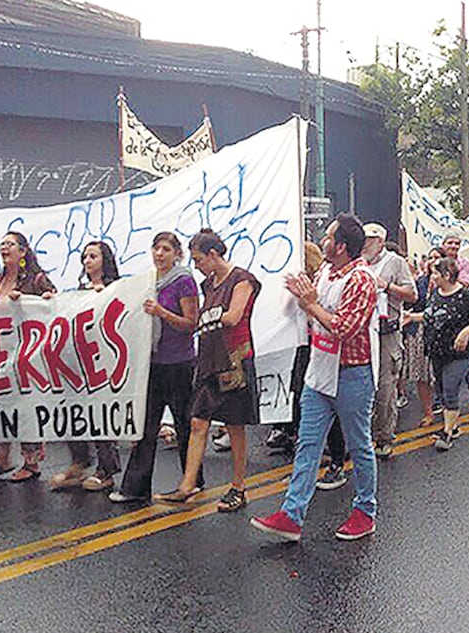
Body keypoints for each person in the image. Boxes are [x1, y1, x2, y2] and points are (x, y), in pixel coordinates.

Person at [250, 214, 379, 542]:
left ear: (341, 246)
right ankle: (292, 515)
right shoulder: (324, 272)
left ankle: (365, 511)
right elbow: (303, 312)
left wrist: (309, 303)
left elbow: (344, 329)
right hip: (319, 374)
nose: (322, 240)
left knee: (359, 445)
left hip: (351, 375)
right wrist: (299, 295)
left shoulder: (362, 280)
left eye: (329, 236)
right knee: (307, 445)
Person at [154, 229, 261, 513]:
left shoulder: (242, 279)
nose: (197, 264)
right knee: (198, 422)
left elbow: (233, 316)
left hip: (234, 359)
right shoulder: (208, 283)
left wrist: (203, 317)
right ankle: (187, 485)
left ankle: (238, 486)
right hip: (209, 358)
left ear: (214, 255)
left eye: (199, 258)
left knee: (234, 426)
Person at [109, 232, 202, 503]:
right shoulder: (149, 281)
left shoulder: (183, 281)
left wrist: (162, 313)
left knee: (184, 424)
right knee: (146, 425)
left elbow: (190, 323)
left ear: (177, 254)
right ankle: (135, 487)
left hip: (179, 363)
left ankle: (192, 479)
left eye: (166, 249)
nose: (159, 254)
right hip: (153, 362)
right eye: (156, 248)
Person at [0, 232, 57, 482]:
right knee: (0, 404)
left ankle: (31, 462)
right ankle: (2, 457)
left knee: (25, 404)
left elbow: (53, 305)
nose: (4, 248)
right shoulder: (0, 279)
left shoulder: (37, 278)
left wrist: (37, 299)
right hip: (0, 352)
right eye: (2, 244)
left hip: (26, 354)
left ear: (23, 252)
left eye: (10, 244)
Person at [49, 241, 123, 491]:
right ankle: (79, 463)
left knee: (100, 414)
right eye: (84, 257)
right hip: (79, 360)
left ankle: (106, 469)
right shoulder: (80, 290)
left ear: (105, 260)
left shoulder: (117, 287)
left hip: (102, 361)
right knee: (74, 410)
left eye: (93, 256)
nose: (87, 261)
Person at [416, 257, 469, 451]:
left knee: (450, 389)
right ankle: (453, 425)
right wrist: (410, 317)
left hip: (458, 353)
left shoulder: (465, 296)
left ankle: (446, 433)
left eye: (436, 273)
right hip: (436, 351)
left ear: (446, 275)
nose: (433, 276)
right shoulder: (435, 293)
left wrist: (465, 332)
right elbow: (431, 314)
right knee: (439, 388)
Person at [361, 223, 417, 459]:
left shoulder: (395, 262)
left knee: (385, 387)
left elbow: (413, 295)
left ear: (380, 242)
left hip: (387, 333)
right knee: (363, 387)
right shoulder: (357, 262)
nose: (364, 243)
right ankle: (362, 437)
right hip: (362, 333)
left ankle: (384, 436)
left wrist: (387, 287)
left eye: (369, 239)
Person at [266, 241, 324, 454]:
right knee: (297, 389)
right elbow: (287, 309)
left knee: (307, 390)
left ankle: (308, 436)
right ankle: (293, 432)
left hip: (314, 343)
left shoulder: (320, 282)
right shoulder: (305, 284)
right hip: (299, 343)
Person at [441, 232, 469, 409]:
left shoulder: (464, 264)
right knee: (441, 358)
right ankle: (443, 400)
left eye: (457, 243)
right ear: (443, 244)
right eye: (450, 243)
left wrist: (444, 278)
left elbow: (463, 283)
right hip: (441, 319)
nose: (453, 246)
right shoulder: (436, 261)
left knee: (465, 358)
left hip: (461, 317)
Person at [401, 254, 436, 427]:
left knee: (441, 376)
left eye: (438, 258)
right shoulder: (420, 282)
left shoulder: (454, 287)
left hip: (441, 336)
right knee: (421, 375)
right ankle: (428, 411)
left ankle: (448, 407)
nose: (433, 262)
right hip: (419, 333)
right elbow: (411, 303)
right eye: (431, 258)